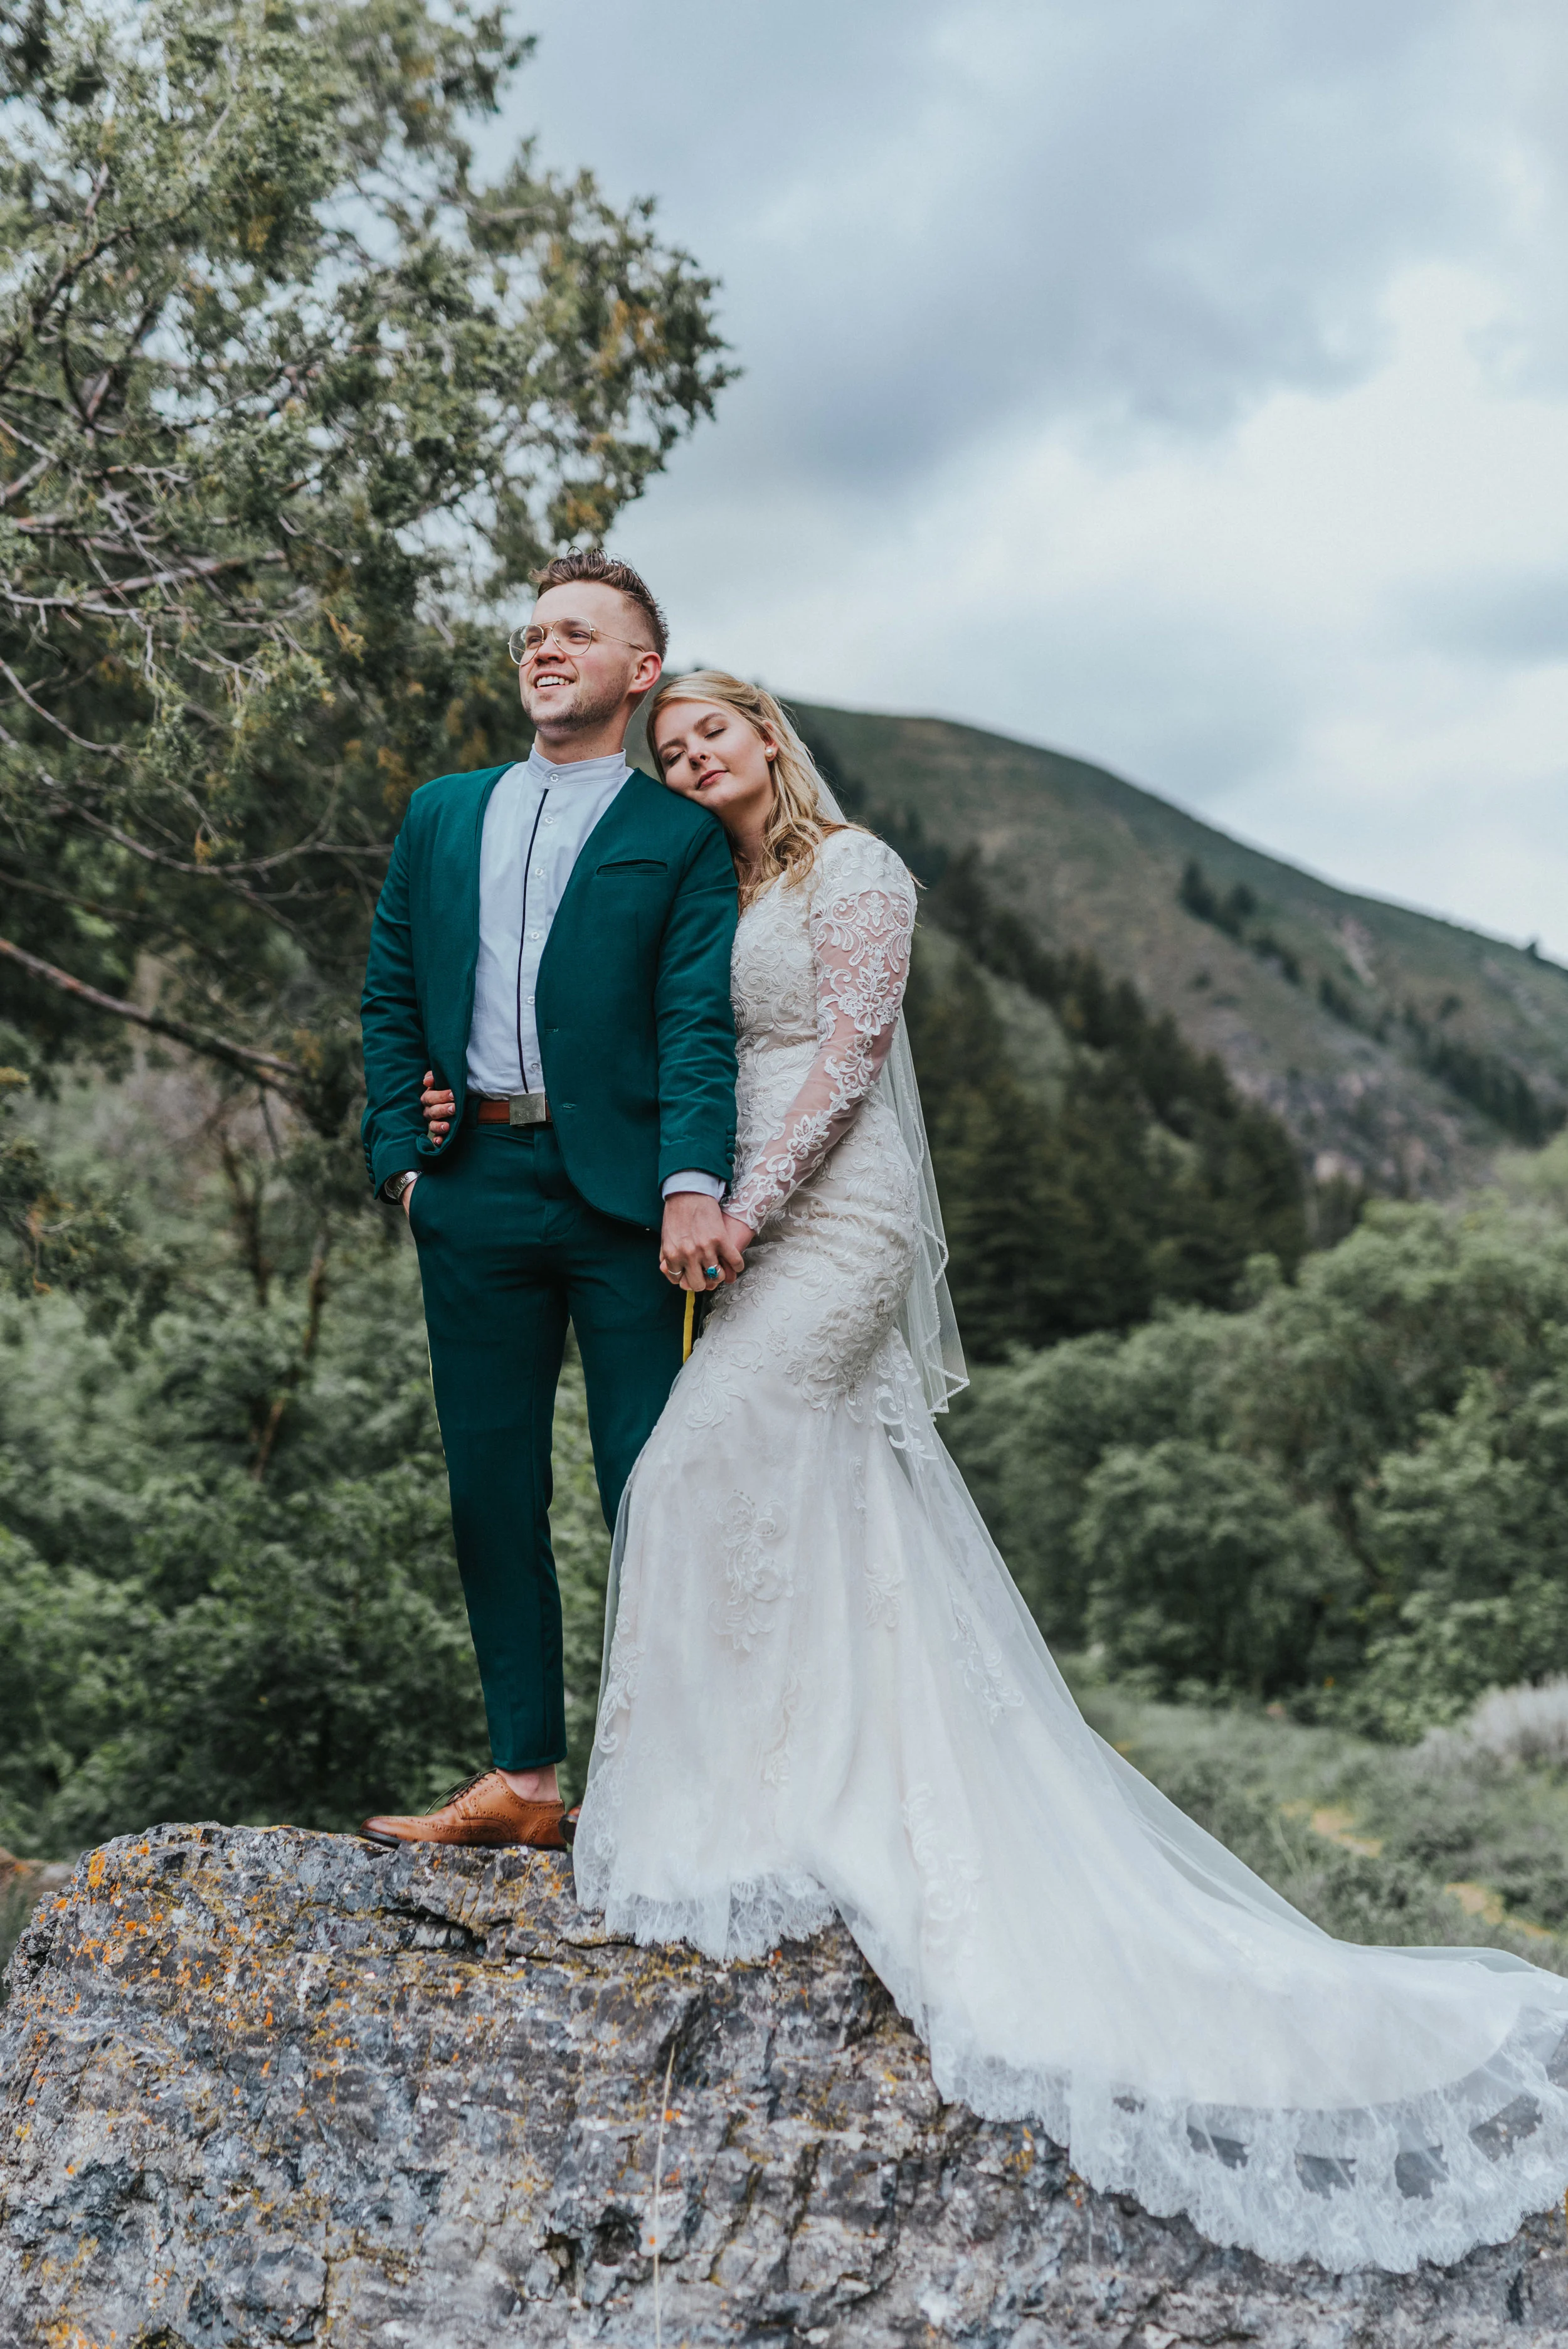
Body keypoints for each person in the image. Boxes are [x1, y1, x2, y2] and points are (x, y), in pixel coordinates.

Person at [425, 667, 1568, 2274]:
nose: (689, 758)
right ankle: (787, 1786)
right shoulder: (706, 879)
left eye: (710, 735)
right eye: (671, 747)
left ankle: (771, 1798)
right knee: (792, 1494)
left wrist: (744, 1196)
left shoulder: (857, 867)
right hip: (733, 1216)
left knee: (692, 1471)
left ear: (766, 738)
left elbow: (845, 1050)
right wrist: (453, 1093)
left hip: (828, 1209)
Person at [356, 552, 741, 1855]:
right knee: (488, 1491)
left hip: (628, 1208)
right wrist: (405, 1160)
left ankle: (658, 1789)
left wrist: (692, 1184)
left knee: (648, 1492)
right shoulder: (440, 812)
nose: (543, 648)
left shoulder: (677, 837)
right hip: (472, 1192)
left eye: (576, 633)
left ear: (640, 671)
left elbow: (697, 1021)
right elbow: (389, 992)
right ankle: (521, 1781)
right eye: (531, 633)